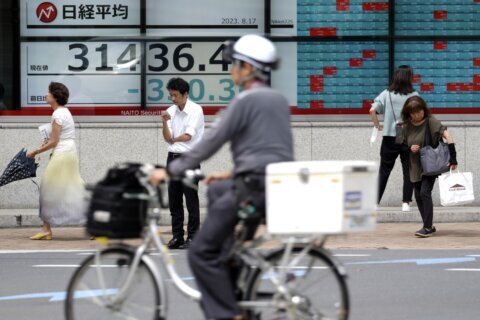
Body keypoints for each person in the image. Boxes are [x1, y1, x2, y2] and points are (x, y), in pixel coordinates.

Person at [150, 34, 293, 320]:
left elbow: (207, 143)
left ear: (248, 68)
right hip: (271, 185)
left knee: (200, 252)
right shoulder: (278, 100)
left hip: (253, 190)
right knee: (218, 199)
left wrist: (168, 170)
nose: (230, 70)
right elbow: (270, 151)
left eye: (235, 64)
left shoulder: (244, 101)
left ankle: (230, 313)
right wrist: (229, 173)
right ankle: (237, 287)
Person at [26, 82, 86, 240]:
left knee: (48, 188)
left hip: (62, 154)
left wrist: (35, 151)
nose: (46, 95)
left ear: (55, 96)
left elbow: (54, 141)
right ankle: (46, 228)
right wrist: (47, 145)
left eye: (49, 93)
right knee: (74, 188)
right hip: (68, 153)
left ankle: (46, 229)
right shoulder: (64, 112)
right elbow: (55, 139)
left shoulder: (58, 114)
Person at [400, 96, 457, 238]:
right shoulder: (405, 125)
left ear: (423, 110)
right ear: (408, 113)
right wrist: (409, 148)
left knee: (424, 193)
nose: (417, 115)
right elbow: (399, 145)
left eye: (419, 112)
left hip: (430, 165)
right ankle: (429, 226)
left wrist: (453, 157)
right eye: (413, 113)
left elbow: (447, 135)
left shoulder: (431, 121)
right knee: (418, 196)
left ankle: (426, 227)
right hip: (415, 165)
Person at [161, 77, 205, 250]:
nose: (173, 99)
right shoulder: (170, 110)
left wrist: (173, 139)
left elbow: (189, 136)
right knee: (174, 200)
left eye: (176, 95)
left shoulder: (196, 110)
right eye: (171, 95)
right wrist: (164, 121)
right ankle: (177, 236)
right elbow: (166, 137)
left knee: (191, 200)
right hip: (172, 157)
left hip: (190, 157)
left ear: (185, 94)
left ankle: (193, 237)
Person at [369, 65, 418, 211]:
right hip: (408, 137)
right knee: (408, 170)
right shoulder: (414, 95)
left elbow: (372, 110)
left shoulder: (386, 94)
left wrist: (378, 125)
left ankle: (374, 203)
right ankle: (405, 203)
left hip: (390, 137)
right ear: (409, 78)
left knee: (384, 170)